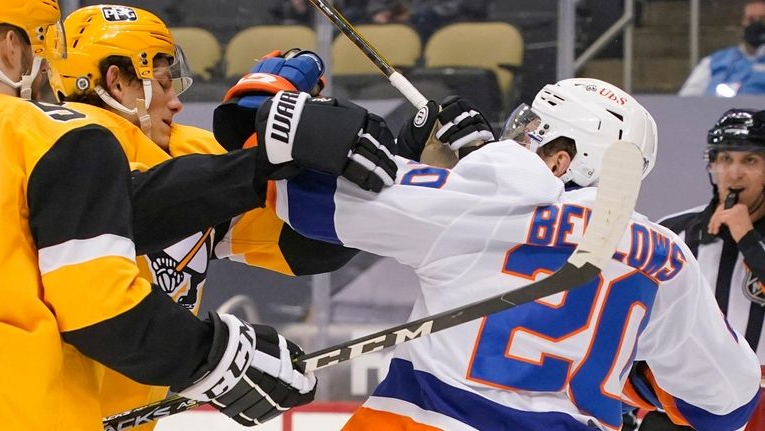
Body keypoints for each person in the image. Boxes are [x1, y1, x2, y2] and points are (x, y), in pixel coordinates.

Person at [269, 78, 762, 430]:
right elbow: (729, 405)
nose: (513, 140)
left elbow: (302, 199)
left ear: (563, 157)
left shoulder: (479, 201)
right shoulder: (665, 255)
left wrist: (283, 98)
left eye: (530, 132)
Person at [0, 2, 400, 429]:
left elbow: (304, 245)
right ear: (115, 82)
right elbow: (138, 207)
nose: (176, 103)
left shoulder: (189, 152)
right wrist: (266, 159)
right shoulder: (62, 141)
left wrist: (392, 168)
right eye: (164, 82)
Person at [640, 108, 765, 430]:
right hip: (684, 402)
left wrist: (748, 240)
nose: (734, 173)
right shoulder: (672, 232)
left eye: (750, 161)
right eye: (724, 159)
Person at [679, 0, 765, 96]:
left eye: (762, 19)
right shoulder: (713, 62)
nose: (757, 24)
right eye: (751, 19)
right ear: (743, 22)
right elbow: (687, 97)